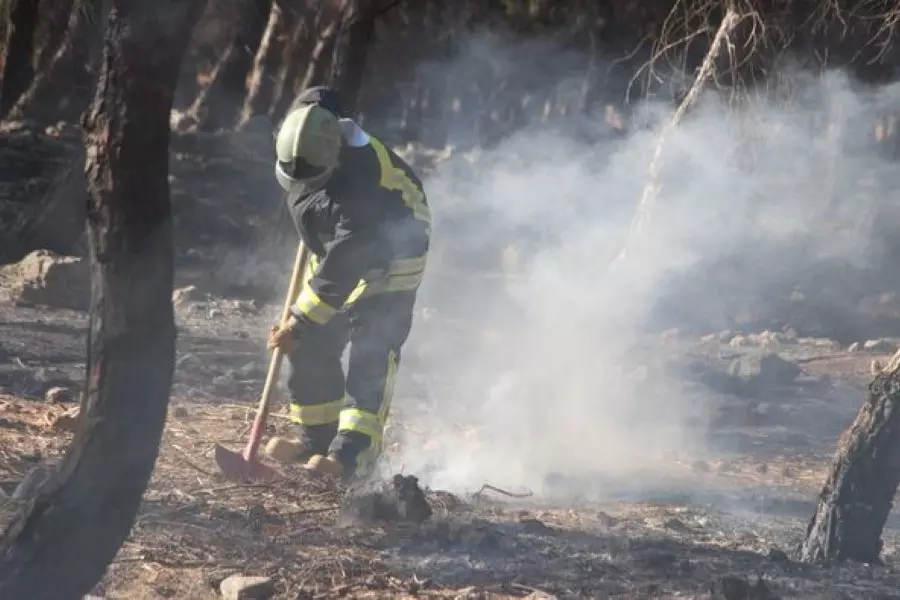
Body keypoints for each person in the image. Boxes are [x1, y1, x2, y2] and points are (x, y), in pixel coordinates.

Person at [264, 86, 431, 480]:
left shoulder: (361, 181)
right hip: (337, 250)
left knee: (369, 356)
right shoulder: (309, 133)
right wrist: (303, 327)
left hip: (390, 259)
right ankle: (315, 440)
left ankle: (351, 457)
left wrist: (300, 320)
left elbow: (349, 255)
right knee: (309, 346)